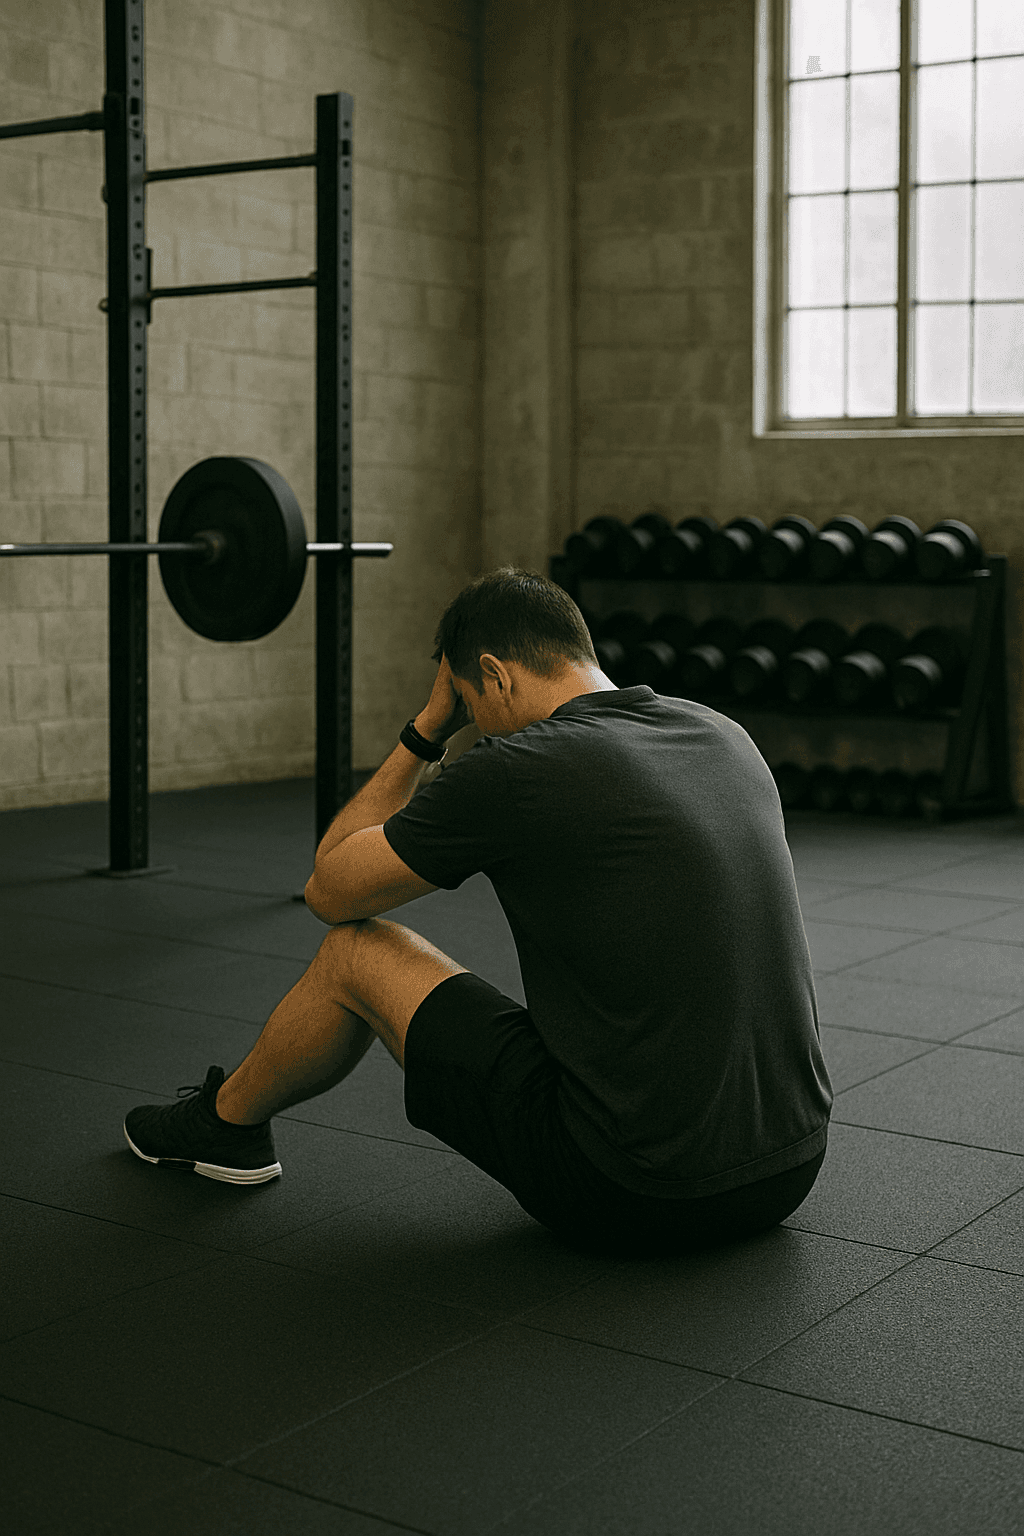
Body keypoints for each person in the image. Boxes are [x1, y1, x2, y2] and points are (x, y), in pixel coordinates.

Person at [124, 566, 833, 1258]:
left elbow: (329, 887)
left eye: (470, 700)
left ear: (493, 676)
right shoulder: (719, 733)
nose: (478, 724)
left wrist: (428, 730)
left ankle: (225, 1124)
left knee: (353, 951)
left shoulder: (524, 766)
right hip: (789, 1171)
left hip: (637, 1191)